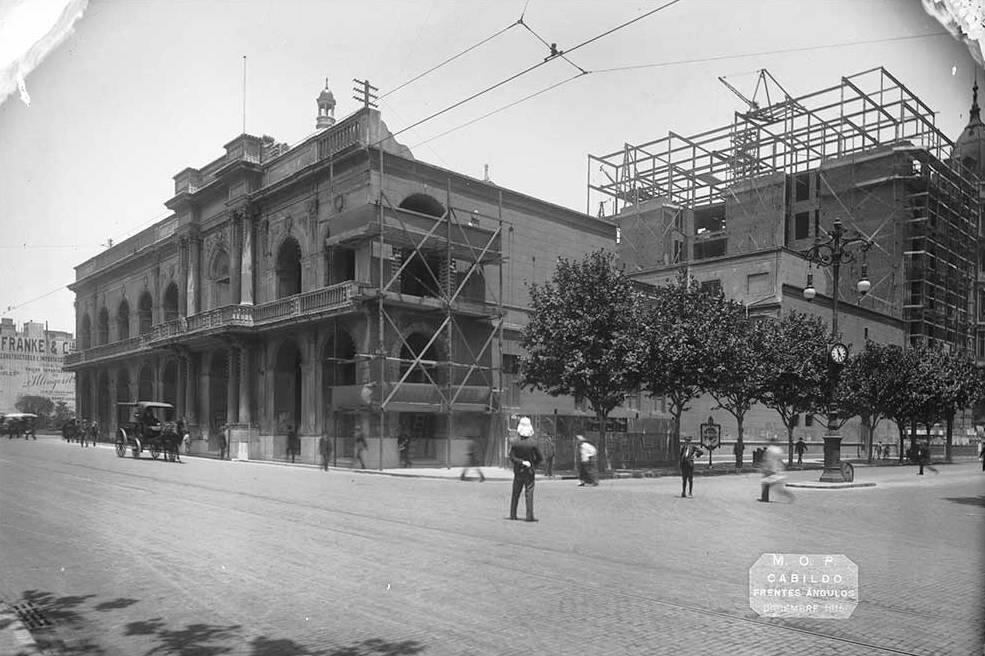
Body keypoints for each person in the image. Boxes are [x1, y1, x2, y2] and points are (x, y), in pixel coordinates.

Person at [508, 417, 543, 521]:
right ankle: (529, 516)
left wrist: (521, 462)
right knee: (529, 494)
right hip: (529, 472)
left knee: (515, 493)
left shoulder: (515, 442)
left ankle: (513, 514)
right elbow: (540, 458)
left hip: (518, 471)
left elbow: (512, 457)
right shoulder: (533, 443)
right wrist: (533, 465)